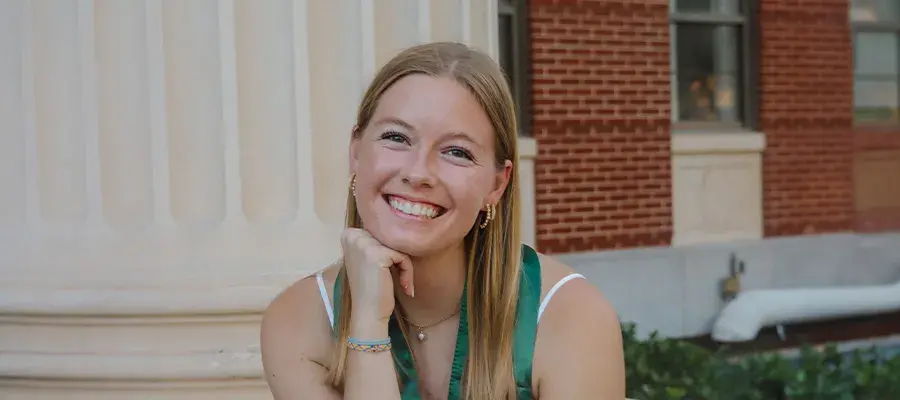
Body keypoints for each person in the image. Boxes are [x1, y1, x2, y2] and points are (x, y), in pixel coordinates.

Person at [260, 42, 625, 399]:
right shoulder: (299, 320)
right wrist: (368, 324)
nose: (419, 173)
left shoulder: (569, 316)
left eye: (456, 152)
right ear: (356, 153)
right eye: (396, 137)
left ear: (497, 185)